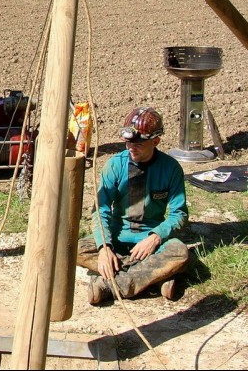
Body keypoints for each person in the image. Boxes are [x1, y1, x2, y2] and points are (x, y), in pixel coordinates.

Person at [77, 106, 190, 304]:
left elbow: (178, 214)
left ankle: (111, 284)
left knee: (179, 251)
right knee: (73, 248)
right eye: (128, 143)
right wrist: (104, 247)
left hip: (150, 241)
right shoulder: (115, 165)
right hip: (117, 237)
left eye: (138, 143)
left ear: (155, 141)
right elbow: (100, 209)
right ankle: (154, 278)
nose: (131, 147)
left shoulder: (171, 168)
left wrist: (155, 238)